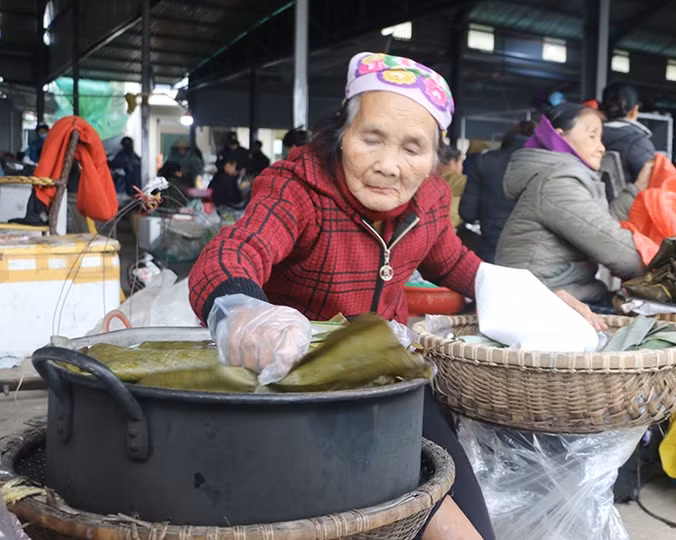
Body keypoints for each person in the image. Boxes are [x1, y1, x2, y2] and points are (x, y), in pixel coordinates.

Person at [187, 52, 604, 540]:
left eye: (413, 148)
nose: (388, 166)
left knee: (469, 529)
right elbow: (233, 253)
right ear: (343, 132)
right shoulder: (297, 190)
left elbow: (457, 264)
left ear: (434, 158)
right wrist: (244, 312)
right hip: (293, 394)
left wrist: (539, 300)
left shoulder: (426, 203)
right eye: (372, 138)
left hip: (392, 387)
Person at [496, 103, 648, 305]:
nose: (601, 148)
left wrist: (636, 190)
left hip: (559, 292)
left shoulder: (561, 177)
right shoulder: (558, 182)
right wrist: (665, 264)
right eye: (592, 136)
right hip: (542, 303)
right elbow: (623, 255)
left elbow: (599, 226)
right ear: (560, 136)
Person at [460, 121, 536, 263]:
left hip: (491, 250)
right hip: (534, 255)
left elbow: (467, 212)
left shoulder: (485, 161)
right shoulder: (548, 167)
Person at [600, 82, 656, 183]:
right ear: (634, 110)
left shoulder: (588, 136)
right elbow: (654, 182)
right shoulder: (638, 143)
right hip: (627, 198)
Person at [438, 145, 466, 228]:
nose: (462, 167)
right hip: (452, 225)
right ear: (452, 162)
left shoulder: (429, 179)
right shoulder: (461, 180)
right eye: (461, 163)